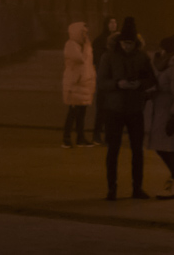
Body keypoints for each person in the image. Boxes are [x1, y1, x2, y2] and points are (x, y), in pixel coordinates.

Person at [95, 17, 156, 200]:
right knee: (113, 150)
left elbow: (151, 79)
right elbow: (102, 82)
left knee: (137, 150)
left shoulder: (142, 57)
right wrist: (118, 84)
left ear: (135, 43)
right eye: (124, 43)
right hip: (114, 109)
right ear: (119, 42)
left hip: (135, 109)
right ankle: (111, 188)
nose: (127, 46)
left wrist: (139, 84)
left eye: (130, 43)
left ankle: (137, 187)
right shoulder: (109, 56)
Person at [146, 33, 174, 198]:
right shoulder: (166, 65)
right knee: (160, 146)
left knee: (172, 148)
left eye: (162, 49)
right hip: (161, 109)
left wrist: (173, 116)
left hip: (171, 111)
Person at [61, 21, 95, 147]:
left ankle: (80, 137)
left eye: (86, 33)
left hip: (83, 85)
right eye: (83, 33)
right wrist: (87, 46)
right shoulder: (71, 45)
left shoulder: (84, 46)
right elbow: (81, 59)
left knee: (81, 114)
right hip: (74, 85)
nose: (86, 35)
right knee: (72, 113)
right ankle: (67, 137)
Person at [89, 15, 118, 144]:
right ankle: (97, 134)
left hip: (114, 79)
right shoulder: (100, 40)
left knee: (112, 109)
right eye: (110, 22)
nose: (113, 24)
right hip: (104, 79)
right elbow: (97, 59)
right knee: (101, 108)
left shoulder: (119, 40)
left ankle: (109, 135)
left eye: (115, 22)